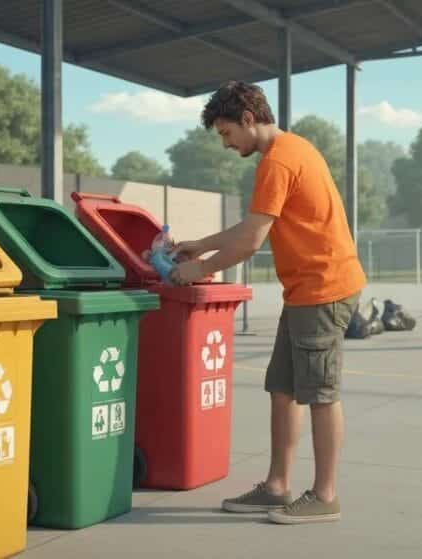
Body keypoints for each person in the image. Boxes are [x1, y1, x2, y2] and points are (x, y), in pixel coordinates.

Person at [168, 81, 365, 525]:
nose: (225, 144)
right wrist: (201, 245)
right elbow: (254, 224)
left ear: (248, 119)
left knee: (320, 394)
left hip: (323, 288)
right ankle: (277, 486)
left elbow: (250, 242)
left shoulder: (279, 161)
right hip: (304, 290)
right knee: (283, 389)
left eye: (225, 133)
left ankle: (325, 495)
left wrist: (195, 272)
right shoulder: (290, 150)